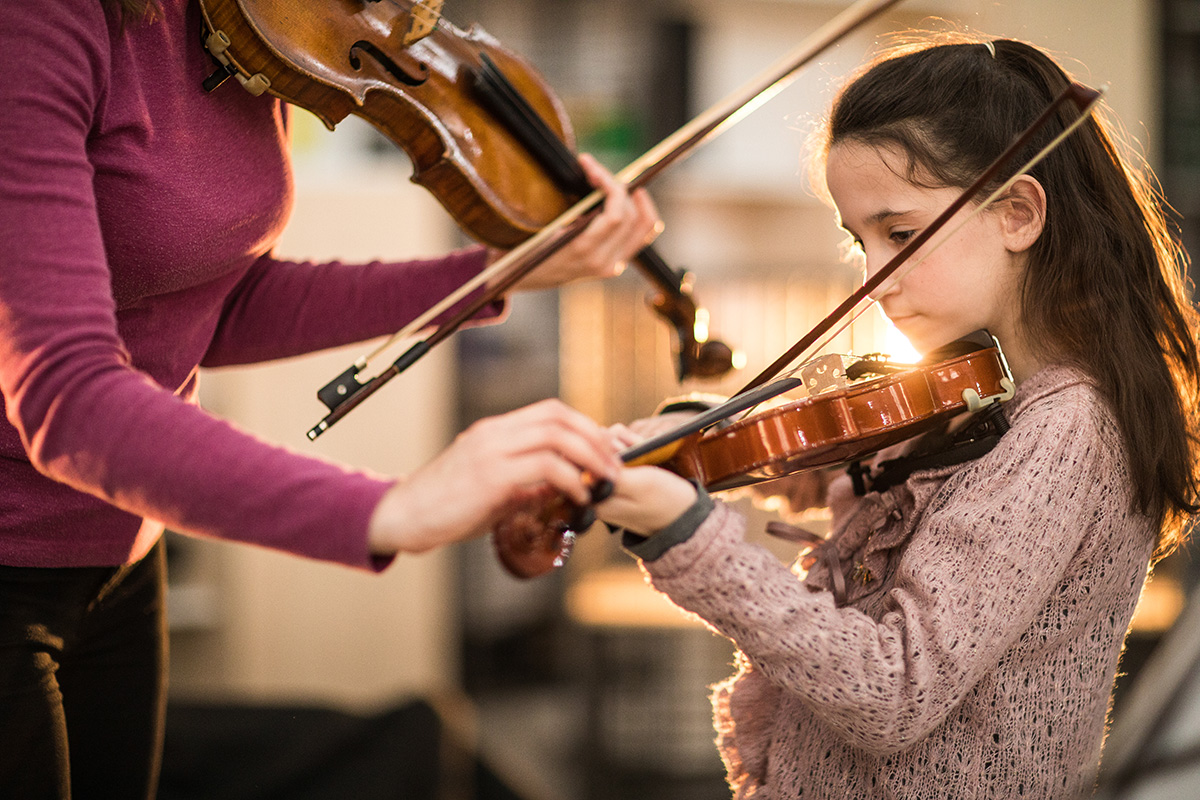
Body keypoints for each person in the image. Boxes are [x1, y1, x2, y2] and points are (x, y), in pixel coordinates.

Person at [0, 0, 656, 797]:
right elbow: (65, 396)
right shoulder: (34, 25)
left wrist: (486, 276)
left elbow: (210, 305)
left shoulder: (258, 21)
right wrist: (390, 509)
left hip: (124, 555)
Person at [594, 33, 1200, 800]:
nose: (875, 279)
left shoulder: (1066, 429)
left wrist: (688, 539)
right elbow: (906, 501)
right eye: (861, 241)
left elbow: (894, 688)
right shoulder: (983, 389)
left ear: (1018, 213)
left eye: (901, 234)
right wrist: (722, 444)